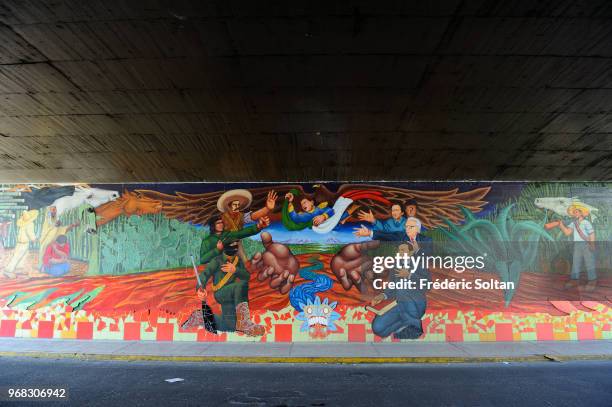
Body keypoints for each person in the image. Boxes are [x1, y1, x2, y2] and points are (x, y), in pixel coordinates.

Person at [192, 214, 270, 336]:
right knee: (240, 285)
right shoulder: (214, 255)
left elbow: (241, 233)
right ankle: (244, 322)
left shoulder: (236, 258)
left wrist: (258, 227)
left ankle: (200, 317)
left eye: (235, 245)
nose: (221, 224)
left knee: (229, 326)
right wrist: (199, 288)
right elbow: (204, 270)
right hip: (221, 292)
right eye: (218, 223)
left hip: (232, 295)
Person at [370, 220, 431, 339]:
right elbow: (392, 286)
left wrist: (409, 275)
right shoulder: (396, 266)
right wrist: (382, 296)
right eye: (399, 250)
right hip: (400, 305)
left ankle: (415, 328)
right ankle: (406, 323)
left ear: (411, 252)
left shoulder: (419, 263)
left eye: (403, 250)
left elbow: (427, 285)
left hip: (416, 304)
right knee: (377, 327)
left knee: (402, 291)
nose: (399, 253)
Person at [545, 202, 597, 291]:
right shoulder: (574, 223)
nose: (574, 213)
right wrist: (560, 225)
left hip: (586, 244)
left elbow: (592, 234)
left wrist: (592, 244)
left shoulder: (586, 223)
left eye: (576, 212)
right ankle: (574, 280)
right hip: (577, 245)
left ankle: (592, 281)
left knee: (589, 262)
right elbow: (567, 232)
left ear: (581, 213)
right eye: (574, 212)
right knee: (576, 262)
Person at [217, 189, 276, 263]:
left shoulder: (240, 216)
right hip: (224, 243)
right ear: (229, 206)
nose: (237, 207)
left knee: (244, 262)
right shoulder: (221, 218)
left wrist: (266, 209)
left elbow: (252, 216)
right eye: (235, 205)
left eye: (238, 205)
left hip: (237, 242)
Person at [3, 209, 38, 278]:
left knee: (22, 256)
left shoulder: (23, 224)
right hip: (24, 242)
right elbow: (30, 234)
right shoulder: (30, 224)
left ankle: (19, 269)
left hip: (21, 242)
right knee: (17, 256)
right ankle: (8, 270)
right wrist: (34, 239)